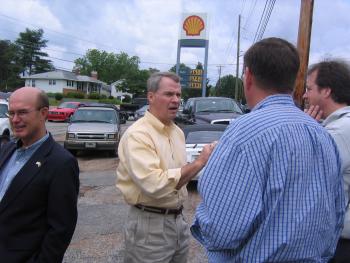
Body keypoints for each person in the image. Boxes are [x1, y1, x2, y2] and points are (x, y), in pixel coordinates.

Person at [191, 38, 345, 262]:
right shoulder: (322, 134)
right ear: (293, 81)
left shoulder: (244, 132)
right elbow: (337, 211)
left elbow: (220, 229)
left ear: (249, 76)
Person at [116, 72, 215, 263]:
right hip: (149, 224)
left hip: (178, 220)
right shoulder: (138, 135)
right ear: (151, 97)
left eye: (178, 95)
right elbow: (155, 184)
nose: (176, 100)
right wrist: (199, 162)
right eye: (169, 94)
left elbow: (178, 175)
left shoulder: (177, 132)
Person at [0, 87, 79, 262]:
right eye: (11, 113)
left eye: (22, 113)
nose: (15, 120)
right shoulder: (6, 150)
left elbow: (61, 229)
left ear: (43, 113)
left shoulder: (61, 162)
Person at [303, 60, 350, 263]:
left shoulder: (338, 132)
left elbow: (304, 177)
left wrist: (307, 133)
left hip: (340, 244)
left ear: (326, 91)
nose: (305, 95)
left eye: (309, 89)